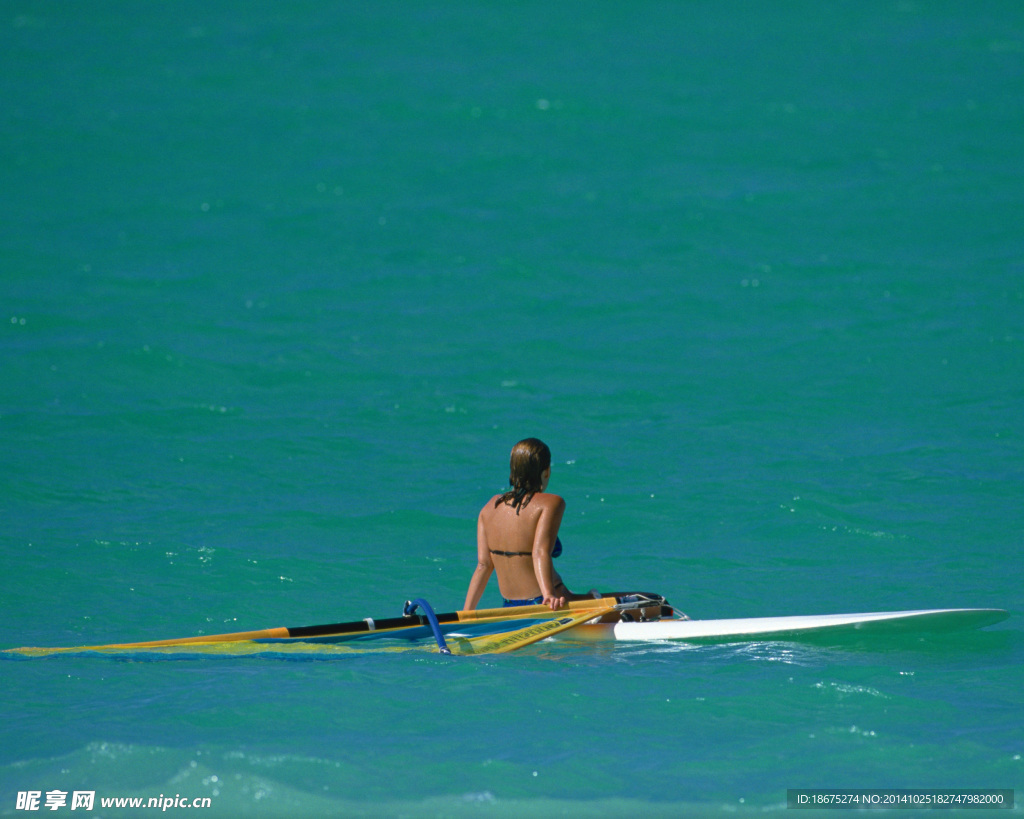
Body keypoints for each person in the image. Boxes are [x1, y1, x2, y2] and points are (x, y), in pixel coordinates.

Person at [463, 438, 598, 611]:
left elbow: (484, 565)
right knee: (627, 599)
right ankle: (593, 600)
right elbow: (540, 552)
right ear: (547, 472)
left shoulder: (489, 507)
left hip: (510, 608)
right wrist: (548, 595)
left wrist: (466, 613)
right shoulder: (551, 503)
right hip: (545, 604)